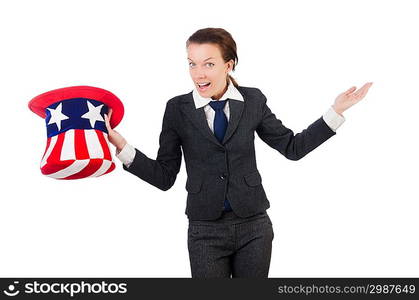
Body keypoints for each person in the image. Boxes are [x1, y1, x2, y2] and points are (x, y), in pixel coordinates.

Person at [104, 27, 373, 278]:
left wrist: (335, 112)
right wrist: (123, 148)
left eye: (208, 64)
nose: (198, 73)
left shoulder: (253, 100)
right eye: (191, 63)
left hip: (254, 226)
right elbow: (164, 177)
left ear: (228, 64)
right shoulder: (177, 109)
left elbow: (293, 148)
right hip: (204, 229)